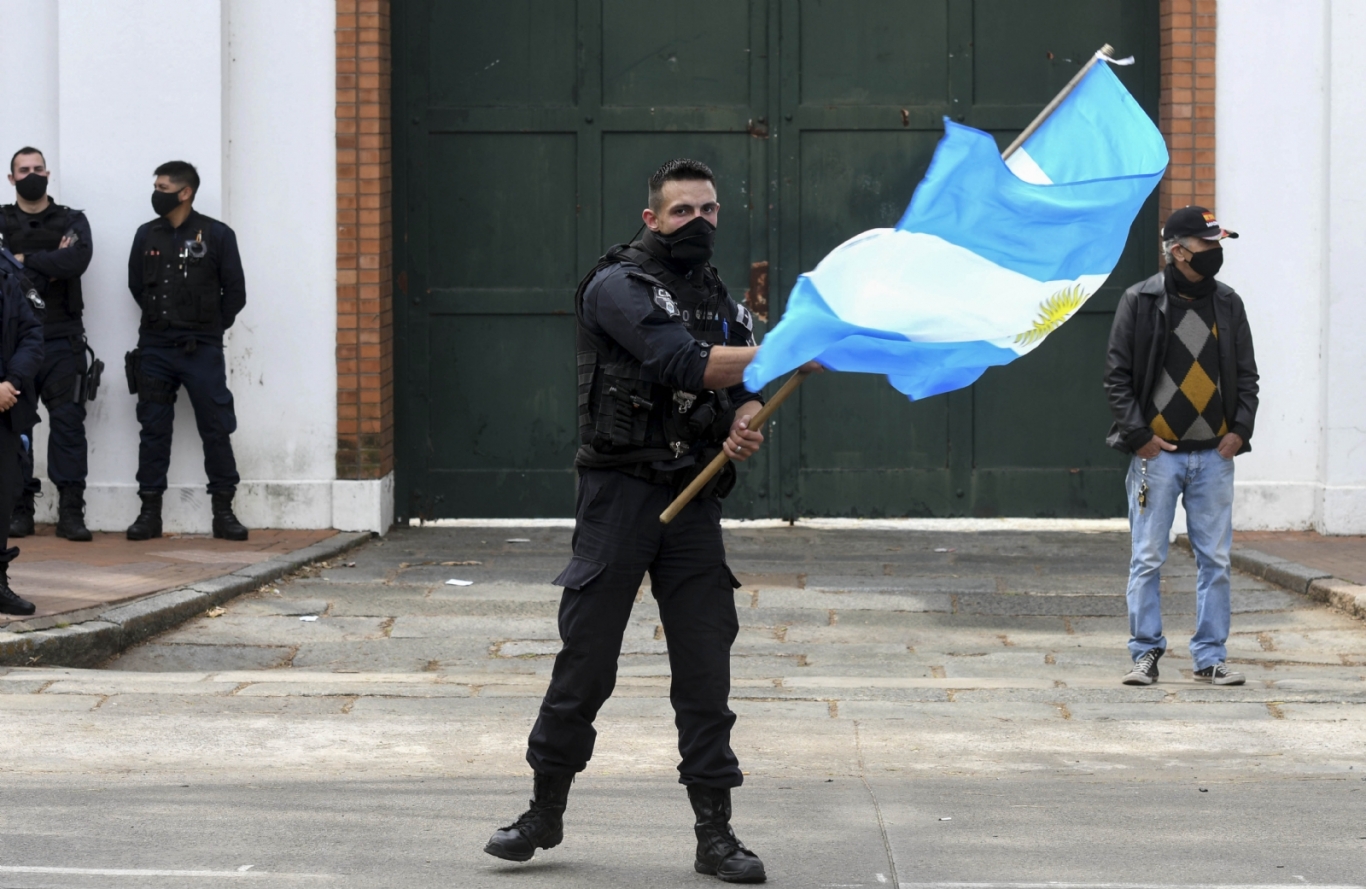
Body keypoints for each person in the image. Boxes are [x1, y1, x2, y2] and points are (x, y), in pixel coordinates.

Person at [484, 159, 805, 884]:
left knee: (705, 666)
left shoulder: (723, 301)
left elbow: (742, 388)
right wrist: (787, 353)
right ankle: (543, 808)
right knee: (586, 660)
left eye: (709, 209)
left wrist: (746, 420)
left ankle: (715, 835)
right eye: (683, 210)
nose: (698, 221)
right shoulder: (617, 287)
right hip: (620, 498)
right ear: (652, 216)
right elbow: (682, 362)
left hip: (691, 497)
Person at [1104, 205, 1258, 688]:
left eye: (1218, 246)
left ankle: (1210, 657)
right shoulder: (1140, 300)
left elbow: (1247, 377)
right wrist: (1140, 438)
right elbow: (1117, 379)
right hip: (1159, 458)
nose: (1215, 254)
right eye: (1207, 246)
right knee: (1147, 557)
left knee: (1215, 560)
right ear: (1178, 251)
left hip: (1215, 456)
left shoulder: (1229, 304)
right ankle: (1145, 653)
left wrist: (1239, 432)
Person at [124, 161, 248, 541]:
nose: (156, 191)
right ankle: (149, 513)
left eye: (163, 186)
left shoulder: (217, 234)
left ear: (185, 192)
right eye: (156, 185)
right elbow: (136, 286)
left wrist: (209, 330)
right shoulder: (147, 235)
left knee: (215, 427)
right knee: (153, 430)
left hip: (201, 350)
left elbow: (236, 294)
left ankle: (224, 512)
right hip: (156, 350)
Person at [2, 147, 95, 541]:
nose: (32, 174)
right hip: (15, 345)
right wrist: (47, 259)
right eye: (23, 170)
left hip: (61, 339)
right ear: (11, 179)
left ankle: (71, 512)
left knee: (69, 425)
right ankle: (20, 508)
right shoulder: (2, 219)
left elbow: (76, 260)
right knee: (17, 431)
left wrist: (21, 257)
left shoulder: (72, 220)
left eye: (38, 168)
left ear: (48, 173)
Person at [0, 237, 47, 614]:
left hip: (6, 406)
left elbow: (32, 335)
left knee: (3, 494)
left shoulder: (7, 277)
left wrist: (11, 382)